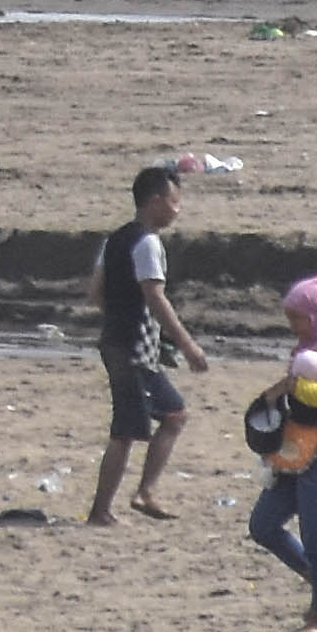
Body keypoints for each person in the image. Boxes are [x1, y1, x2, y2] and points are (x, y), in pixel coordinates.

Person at [92, 159, 205, 523]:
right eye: (173, 202)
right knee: (125, 431)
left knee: (174, 414)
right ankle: (102, 510)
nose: (176, 209)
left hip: (119, 342)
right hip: (132, 349)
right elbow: (156, 299)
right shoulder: (147, 243)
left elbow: (94, 292)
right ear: (155, 201)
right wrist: (187, 345)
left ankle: (144, 492)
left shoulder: (114, 239)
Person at [253, 270, 317, 631]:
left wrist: (295, 388)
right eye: (290, 318)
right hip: (295, 449)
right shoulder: (306, 347)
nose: (293, 325)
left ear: (315, 315)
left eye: (297, 318)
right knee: (262, 525)